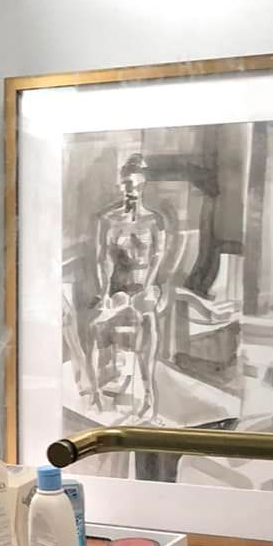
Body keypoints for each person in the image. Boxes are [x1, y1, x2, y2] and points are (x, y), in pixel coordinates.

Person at [89, 152, 169, 422]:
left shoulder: (155, 221)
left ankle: (148, 395)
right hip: (120, 289)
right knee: (98, 323)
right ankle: (99, 390)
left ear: (143, 184)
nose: (131, 191)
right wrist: (104, 295)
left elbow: (158, 257)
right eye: (127, 185)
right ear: (121, 185)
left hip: (144, 286)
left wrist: (148, 286)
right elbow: (104, 260)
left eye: (135, 185)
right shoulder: (109, 221)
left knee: (147, 319)